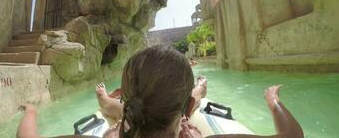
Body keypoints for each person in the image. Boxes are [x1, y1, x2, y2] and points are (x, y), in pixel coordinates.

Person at [17, 45, 304, 138]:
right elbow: (293, 136)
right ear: (187, 112)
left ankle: (107, 102)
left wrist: (31, 111)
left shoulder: (125, 121)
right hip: (172, 111)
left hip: (134, 115)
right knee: (196, 92)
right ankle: (198, 91)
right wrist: (273, 101)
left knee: (127, 113)